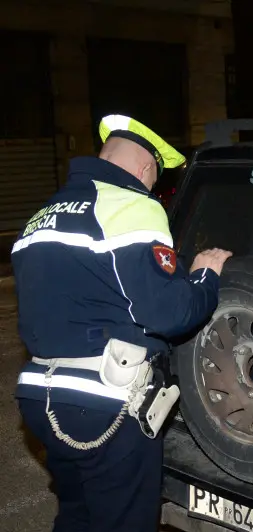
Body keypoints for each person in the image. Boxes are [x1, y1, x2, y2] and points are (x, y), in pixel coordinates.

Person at [11, 114, 232, 532]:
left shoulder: (43, 214)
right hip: (104, 403)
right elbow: (166, 313)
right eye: (154, 180)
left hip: (42, 398)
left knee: (78, 515)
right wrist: (205, 276)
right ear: (146, 168)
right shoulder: (132, 205)